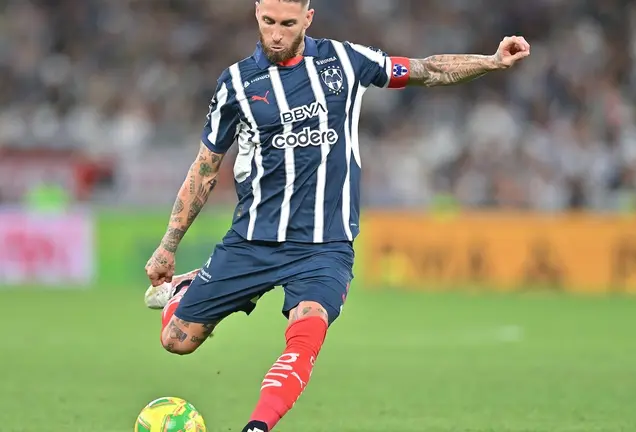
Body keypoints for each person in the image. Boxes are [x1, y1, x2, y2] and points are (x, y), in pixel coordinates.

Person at [143, 0, 530, 430]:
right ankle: (189, 286)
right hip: (252, 240)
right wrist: (167, 246)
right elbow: (205, 169)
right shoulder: (236, 83)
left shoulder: (345, 62)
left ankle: (257, 426)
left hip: (324, 246)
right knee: (176, 341)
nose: (275, 34)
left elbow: (427, 70)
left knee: (307, 330)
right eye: (268, 22)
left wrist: (491, 62)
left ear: (308, 18)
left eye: (288, 24)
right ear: (256, 14)